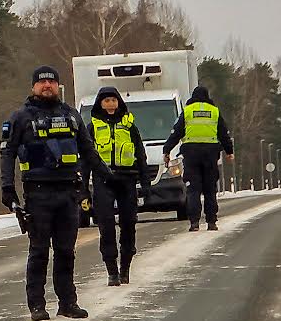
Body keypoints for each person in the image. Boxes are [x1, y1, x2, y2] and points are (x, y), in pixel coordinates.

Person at [0, 65, 92, 321]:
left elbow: (88, 150)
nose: (47, 85)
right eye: (42, 82)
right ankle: (37, 305)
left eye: (51, 81)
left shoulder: (71, 115)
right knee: (39, 251)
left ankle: (67, 303)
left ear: (58, 86)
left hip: (68, 193)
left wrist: (102, 178)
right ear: (33, 87)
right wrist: (7, 187)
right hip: (38, 194)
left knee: (66, 251)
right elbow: (7, 154)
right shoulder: (20, 118)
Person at [87, 86, 150, 285]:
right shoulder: (92, 127)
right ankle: (112, 270)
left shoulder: (130, 125)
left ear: (119, 102)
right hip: (103, 180)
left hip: (127, 179)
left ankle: (125, 268)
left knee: (129, 224)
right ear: (100, 103)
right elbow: (86, 157)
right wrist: (81, 188)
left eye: (113, 100)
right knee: (105, 225)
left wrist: (146, 183)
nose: (110, 104)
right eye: (106, 101)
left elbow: (140, 154)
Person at [162, 86, 235, 232]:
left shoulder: (188, 111)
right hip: (210, 155)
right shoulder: (214, 111)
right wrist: (229, 151)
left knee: (193, 190)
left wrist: (167, 150)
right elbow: (223, 133)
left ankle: (194, 222)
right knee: (210, 189)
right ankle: (211, 222)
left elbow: (176, 133)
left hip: (191, 155)